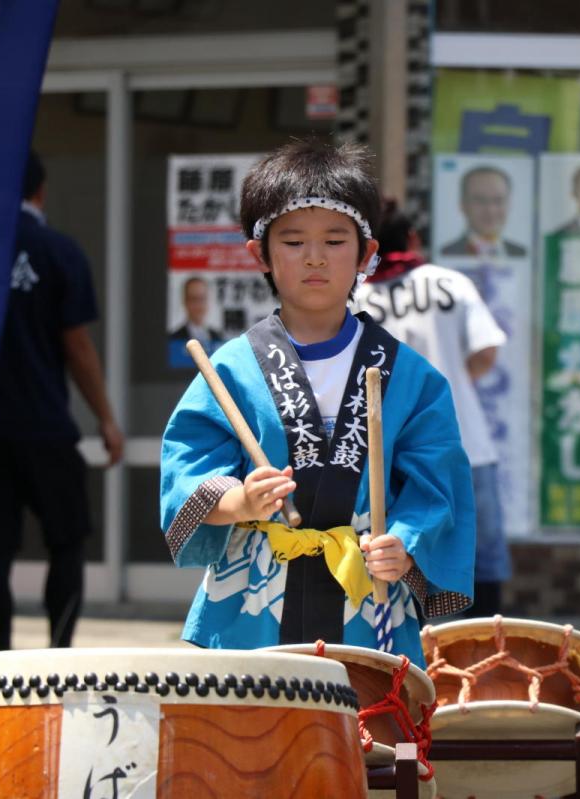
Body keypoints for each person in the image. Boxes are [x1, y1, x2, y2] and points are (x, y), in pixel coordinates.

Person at [160, 141, 475, 666]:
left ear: (367, 254)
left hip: (367, 593)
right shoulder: (232, 368)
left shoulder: (410, 375)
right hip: (256, 594)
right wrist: (240, 501)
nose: (315, 257)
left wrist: (403, 544)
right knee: (250, 718)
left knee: (366, 715)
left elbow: (435, 485)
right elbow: (187, 466)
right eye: (293, 241)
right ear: (259, 255)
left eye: (334, 239)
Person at [0, 151, 125, 652]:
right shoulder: (58, 250)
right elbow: (76, 345)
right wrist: (106, 418)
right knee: (67, 542)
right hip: (45, 425)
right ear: (40, 191)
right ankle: (58, 653)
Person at [356, 200, 512, 617]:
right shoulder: (450, 284)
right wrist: (450, 383)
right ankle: (481, 647)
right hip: (464, 440)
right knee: (481, 558)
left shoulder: (355, 297)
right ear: (412, 238)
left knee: (400, 555)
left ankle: (420, 649)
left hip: (386, 451)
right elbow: (486, 351)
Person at [439, 166, 527, 258]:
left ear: (509, 204)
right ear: (463, 205)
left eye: (498, 200)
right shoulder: (445, 253)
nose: (490, 211)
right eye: (480, 200)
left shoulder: (522, 253)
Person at [168, 276, 223, 351]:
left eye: (202, 299)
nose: (198, 305)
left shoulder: (218, 337)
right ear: (185, 301)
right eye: (193, 299)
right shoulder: (173, 339)